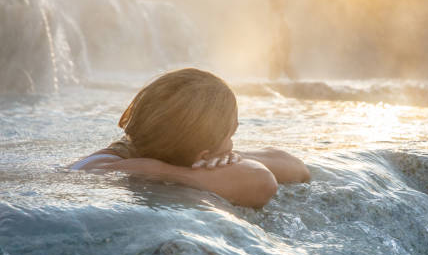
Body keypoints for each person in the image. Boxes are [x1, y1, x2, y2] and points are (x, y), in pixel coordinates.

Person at [70, 68, 310, 208]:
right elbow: (262, 183)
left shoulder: (153, 149)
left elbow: (298, 169)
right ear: (201, 154)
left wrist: (228, 157)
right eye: (231, 135)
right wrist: (164, 172)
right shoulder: (104, 165)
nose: (232, 144)